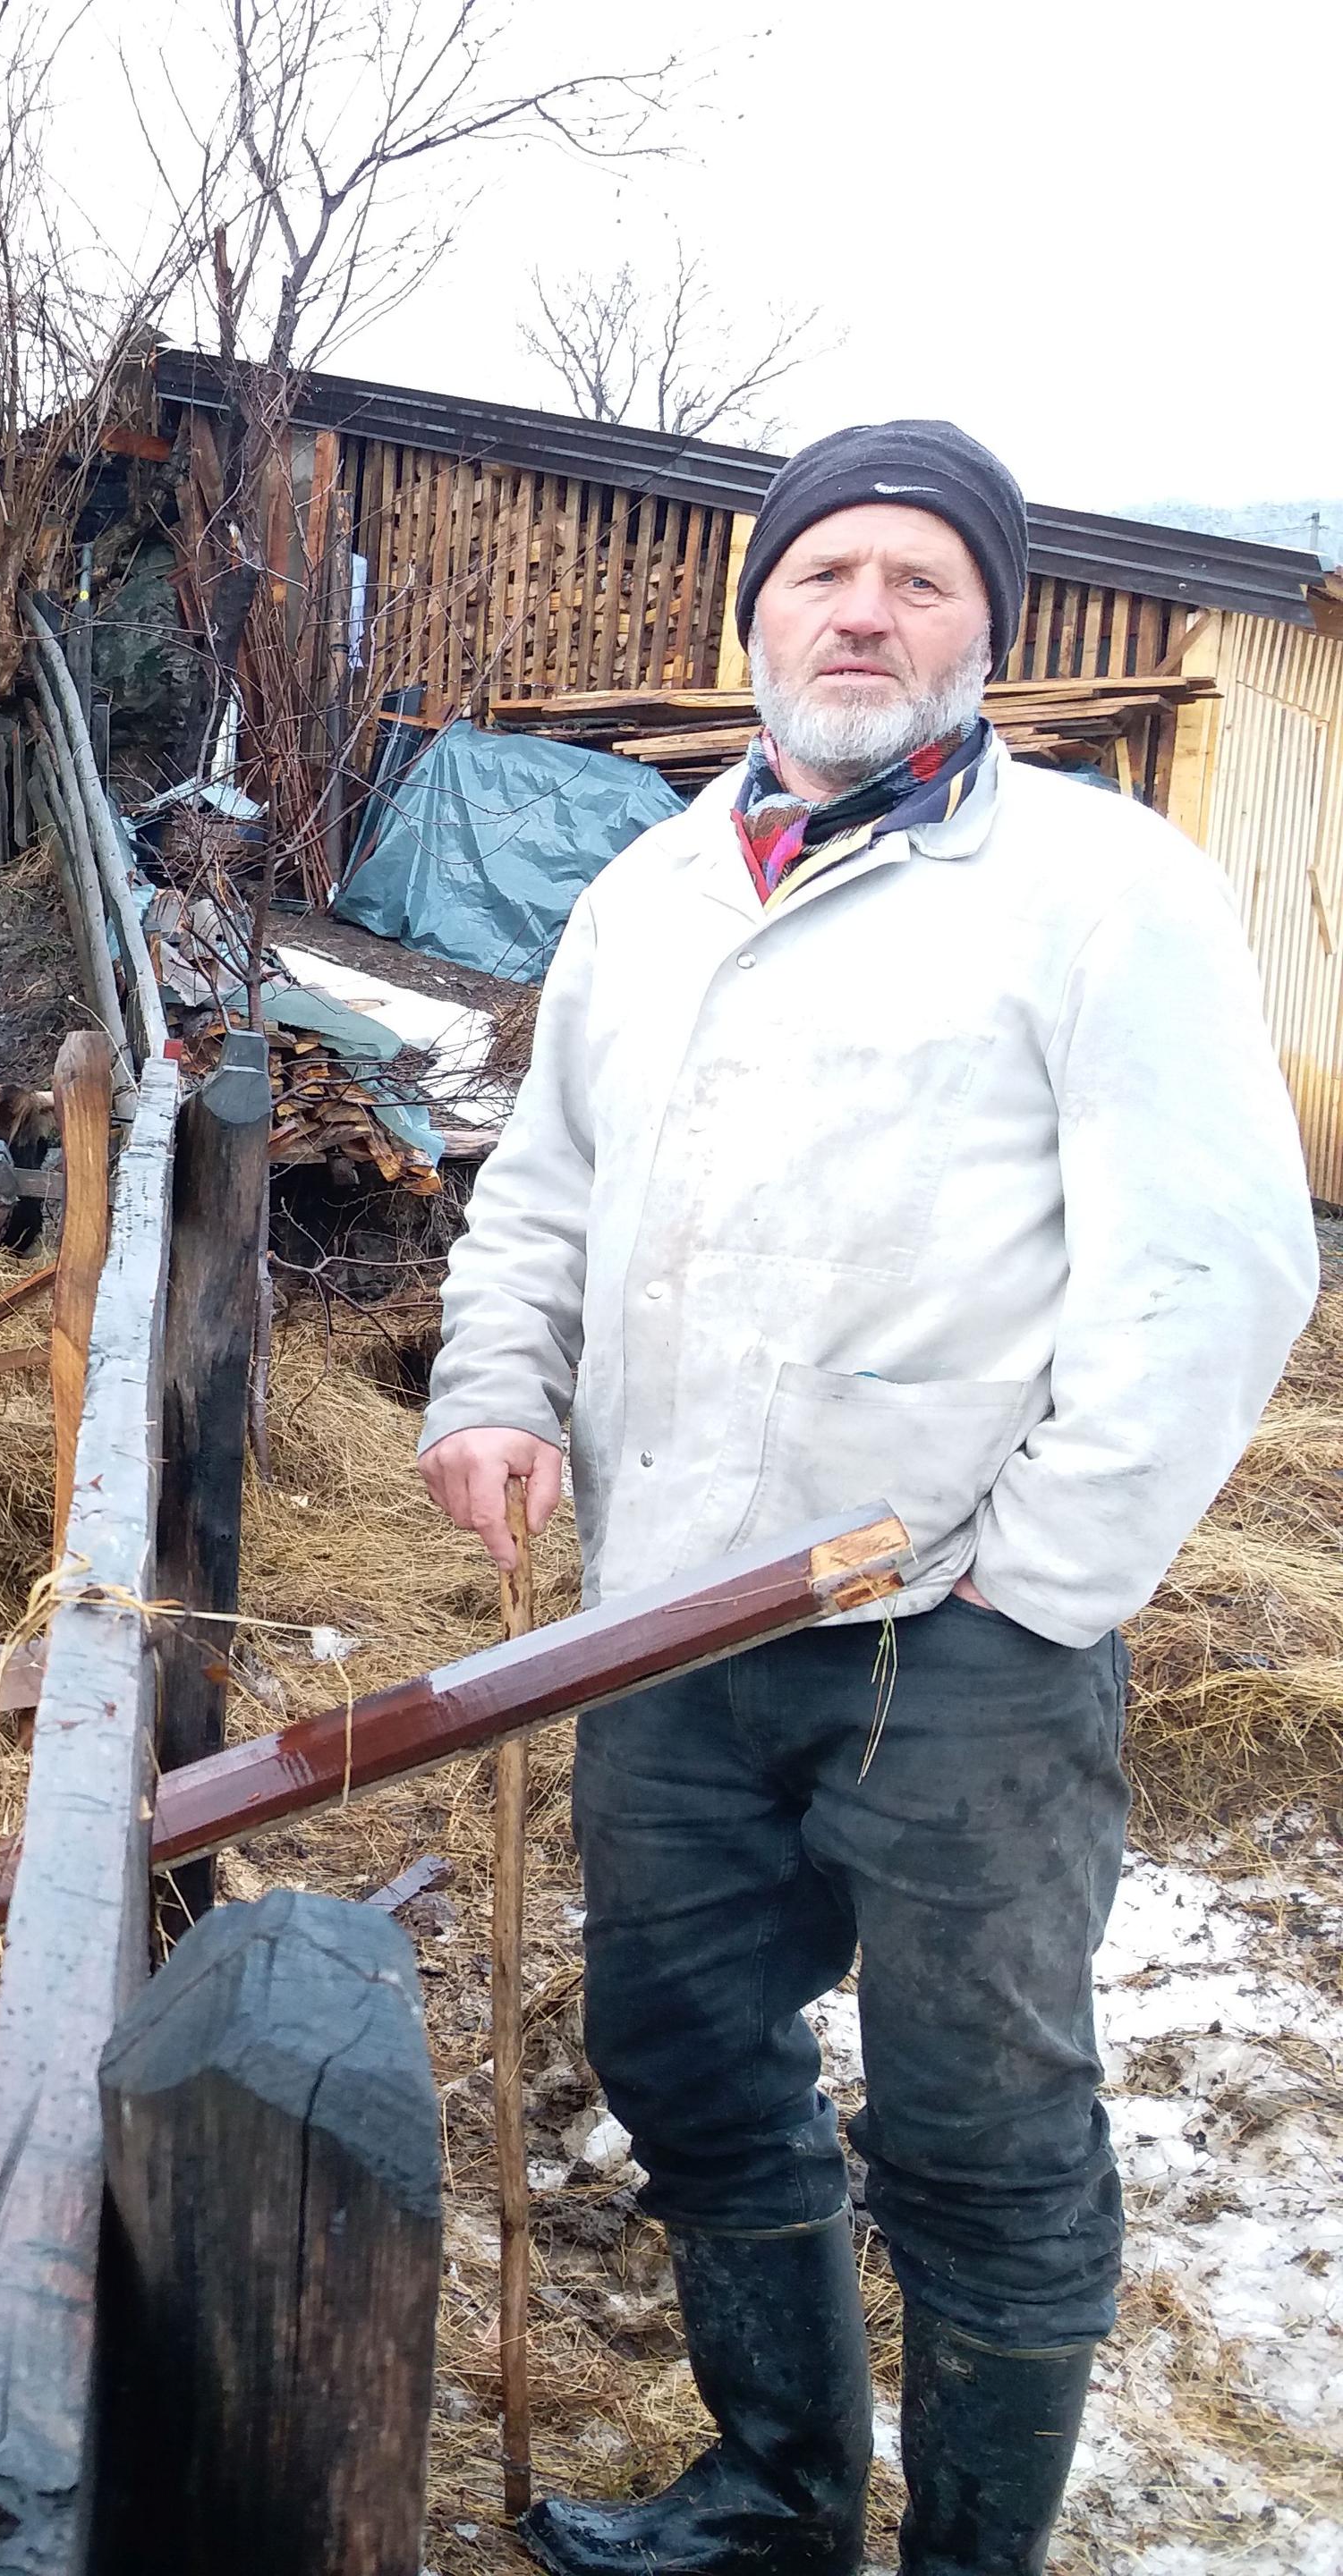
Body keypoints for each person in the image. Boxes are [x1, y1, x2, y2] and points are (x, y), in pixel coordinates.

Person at [418, 419, 1318, 2576]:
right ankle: (778, 2498)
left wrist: (1043, 1580)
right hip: (669, 1622)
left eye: (920, 579)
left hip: (954, 1640)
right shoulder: (645, 892)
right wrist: (491, 1390)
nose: (864, 611)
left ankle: (970, 2557)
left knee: (980, 2136)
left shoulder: (1102, 891)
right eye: (826, 572)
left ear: (987, 626)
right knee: (685, 2055)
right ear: (758, 614)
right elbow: (542, 1193)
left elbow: (1214, 1262)